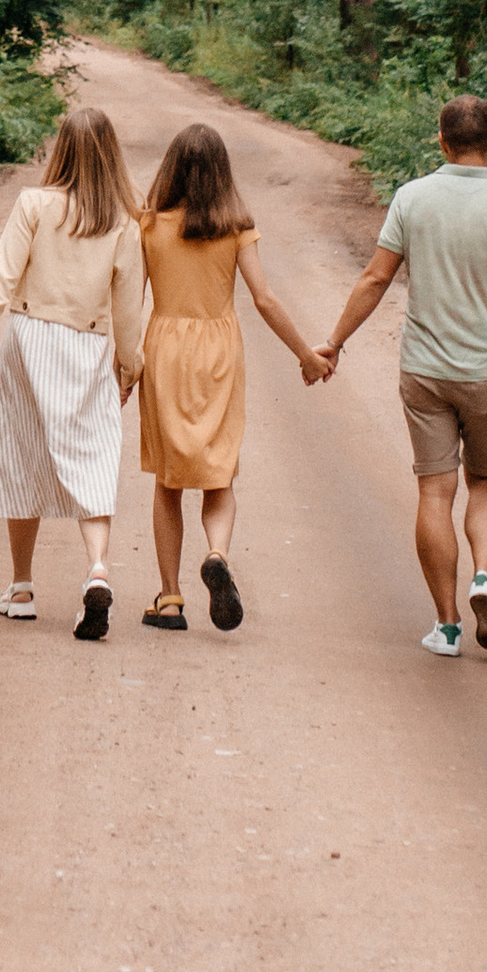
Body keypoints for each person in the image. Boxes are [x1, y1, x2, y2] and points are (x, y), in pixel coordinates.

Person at [321, 90, 487, 659]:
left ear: (441, 142)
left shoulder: (412, 198)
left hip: (425, 371)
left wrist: (335, 341)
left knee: (435, 490)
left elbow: (374, 278)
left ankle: (446, 627)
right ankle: (485, 576)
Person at [0, 102, 149, 640]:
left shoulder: (33, 205)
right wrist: (128, 370)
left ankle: (21, 588)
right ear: (112, 157)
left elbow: (1, 277)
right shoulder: (124, 225)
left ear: (61, 148)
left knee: (22, 453)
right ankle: (96, 570)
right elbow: (129, 312)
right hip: (87, 344)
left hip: (28, 337)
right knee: (92, 456)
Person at [136, 120, 330, 635]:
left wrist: (121, 363)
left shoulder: (149, 224)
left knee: (168, 478)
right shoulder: (237, 224)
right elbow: (264, 298)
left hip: (165, 349)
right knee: (217, 470)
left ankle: (170, 599)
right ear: (223, 173)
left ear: (171, 168)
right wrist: (305, 355)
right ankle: (217, 553)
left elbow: (128, 296)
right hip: (219, 350)